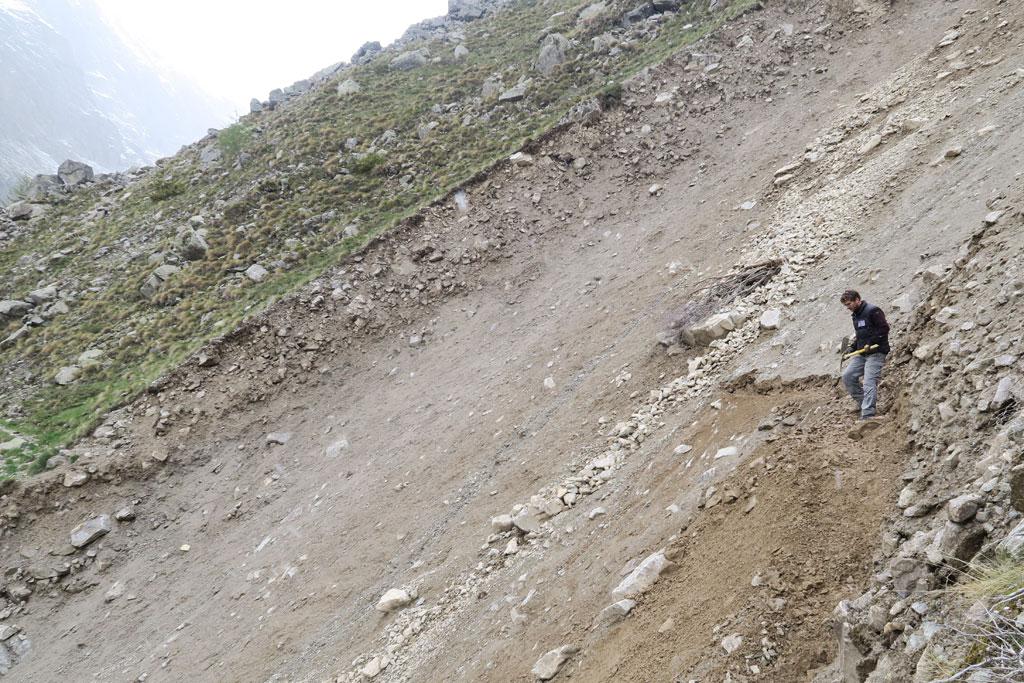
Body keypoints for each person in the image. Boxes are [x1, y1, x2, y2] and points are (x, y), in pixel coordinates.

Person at [840, 290, 890, 420]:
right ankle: (863, 404)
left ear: (857, 299)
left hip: (876, 352)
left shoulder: (873, 311)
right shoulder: (856, 315)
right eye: (846, 305)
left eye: (849, 304)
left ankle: (868, 414)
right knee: (847, 376)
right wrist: (852, 347)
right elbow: (860, 336)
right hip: (863, 353)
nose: (848, 307)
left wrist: (871, 342)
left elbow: (884, 329)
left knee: (869, 382)